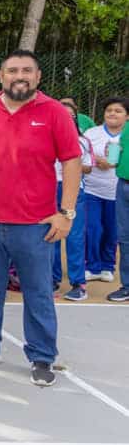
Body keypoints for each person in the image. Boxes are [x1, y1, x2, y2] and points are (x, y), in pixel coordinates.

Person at [0, 50, 81, 387]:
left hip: (36, 225)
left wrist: (66, 212)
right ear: (1, 75)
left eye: (26, 70)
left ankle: (41, 356)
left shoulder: (53, 112)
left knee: (37, 292)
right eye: (12, 70)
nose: (19, 76)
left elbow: (71, 161)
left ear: (37, 77)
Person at [82, 98, 128, 283]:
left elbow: (115, 161)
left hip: (116, 192)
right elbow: (82, 154)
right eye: (109, 110)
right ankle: (93, 266)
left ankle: (107, 266)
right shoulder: (92, 133)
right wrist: (95, 161)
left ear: (126, 116)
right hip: (92, 190)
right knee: (93, 228)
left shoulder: (126, 135)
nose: (112, 113)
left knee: (112, 231)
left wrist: (110, 163)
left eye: (118, 110)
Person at [52, 102, 93, 301]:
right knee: (50, 235)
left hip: (74, 189)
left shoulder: (83, 141)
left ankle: (78, 284)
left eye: (71, 115)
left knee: (74, 237)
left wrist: (70, 161)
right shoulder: (45, 137)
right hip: (50, 189)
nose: (67, 117)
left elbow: (88, 167)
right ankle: (52, 280)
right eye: (62, 113)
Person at [109, 98, 129, 302]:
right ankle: (127, 286)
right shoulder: (126, 129)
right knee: (124, 239)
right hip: (123, 185)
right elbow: (114, 159)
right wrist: (114, 157)